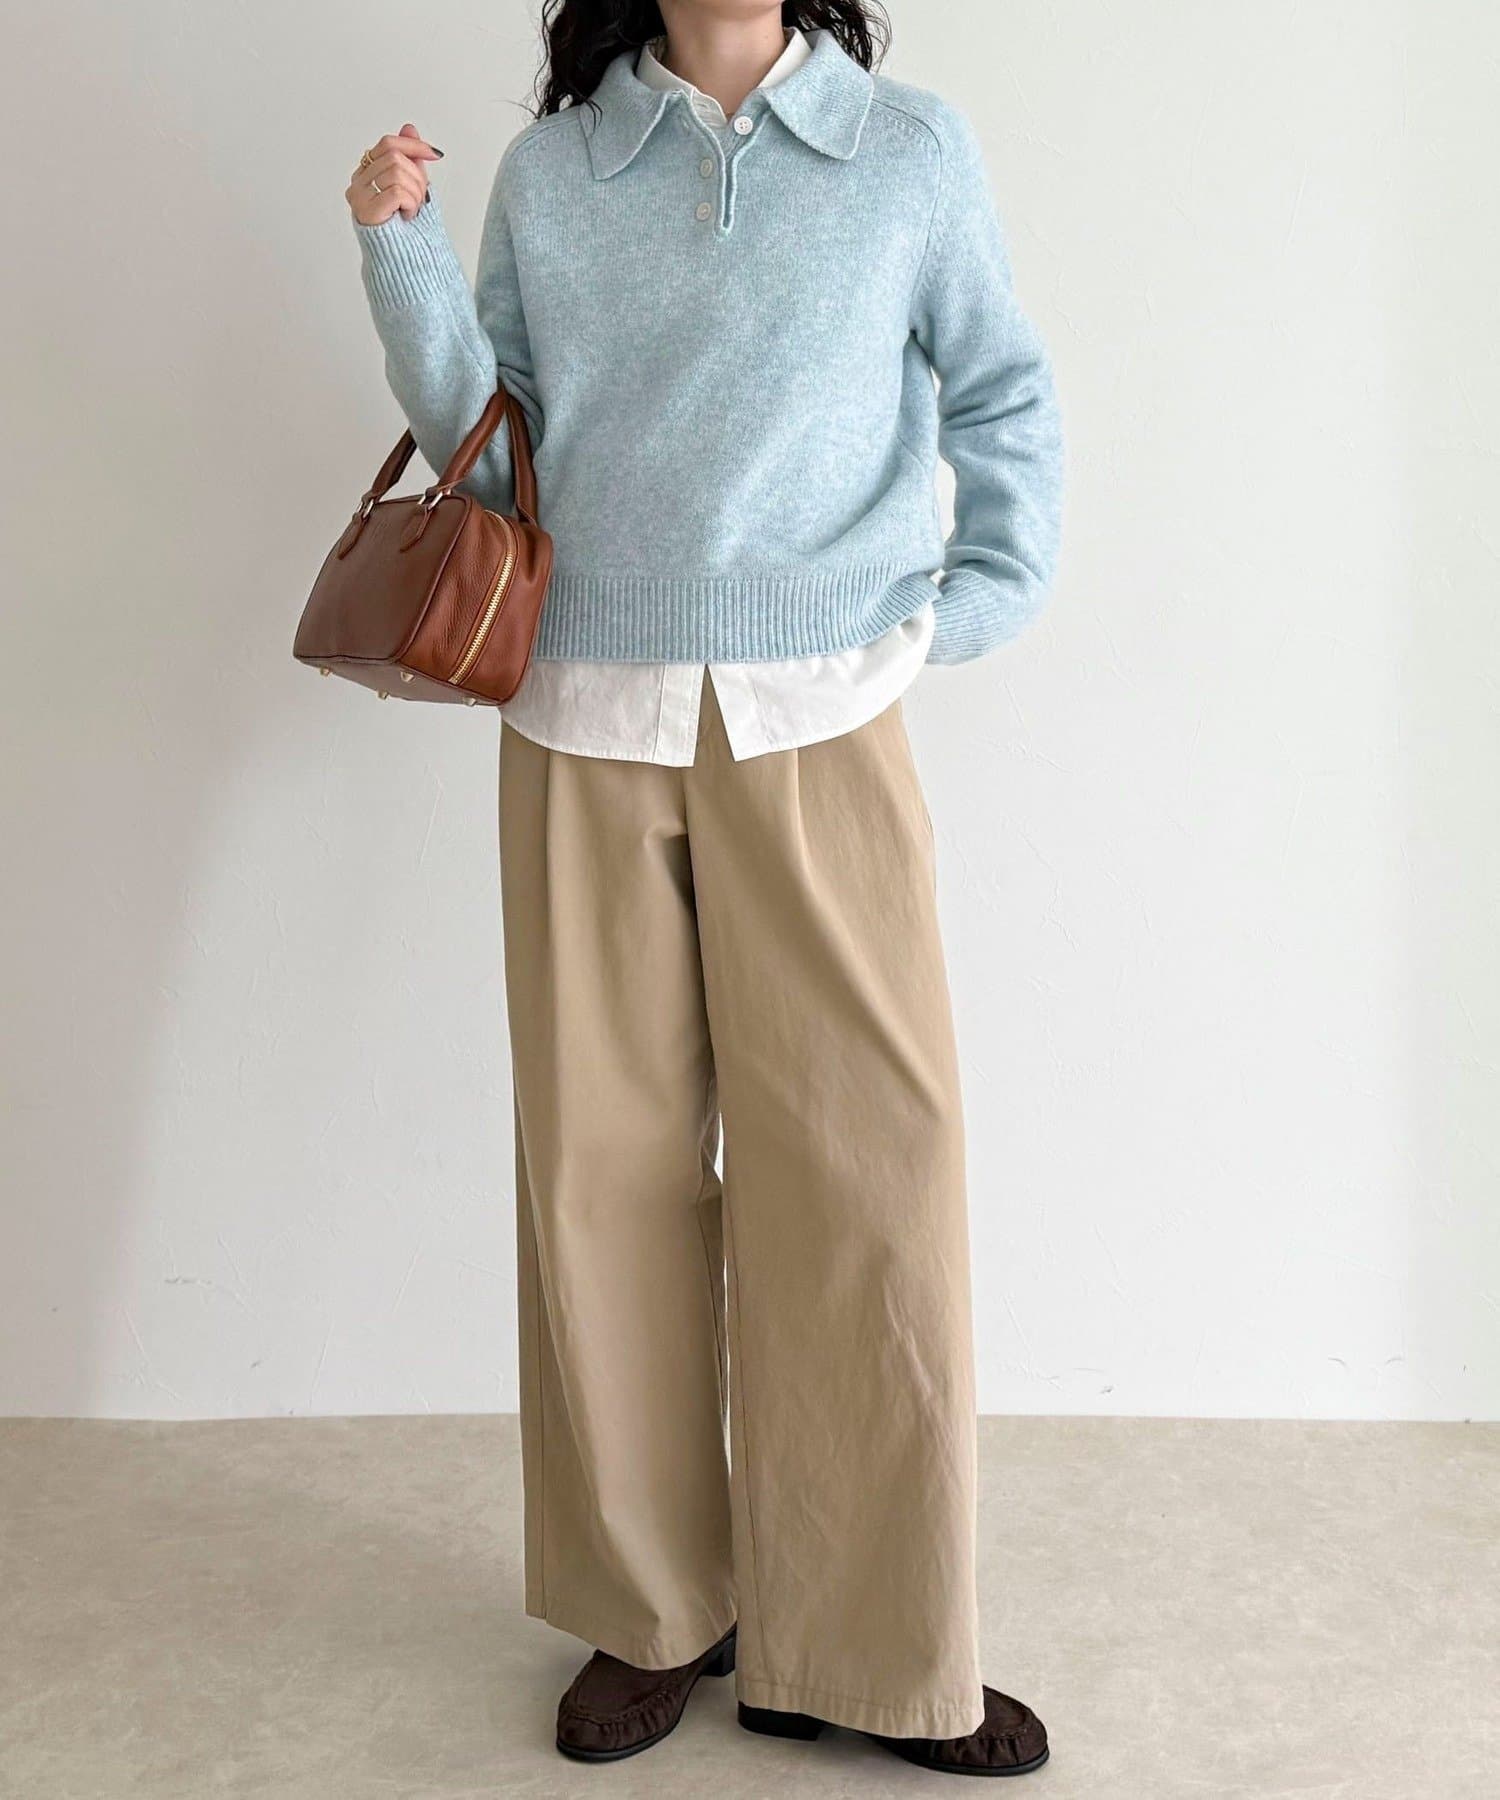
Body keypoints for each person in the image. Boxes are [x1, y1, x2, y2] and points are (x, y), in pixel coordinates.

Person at [345, 0, 1062, 1775]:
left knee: (874, 1175)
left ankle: (875, 1645)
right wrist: (400, 255)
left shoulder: (908, 150)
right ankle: (653, 1607)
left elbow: (1002, 388)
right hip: (585, 718)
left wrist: (966, 606)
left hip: (823, 712)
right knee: (603, 1175)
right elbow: (496, 451)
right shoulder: (556, 169)